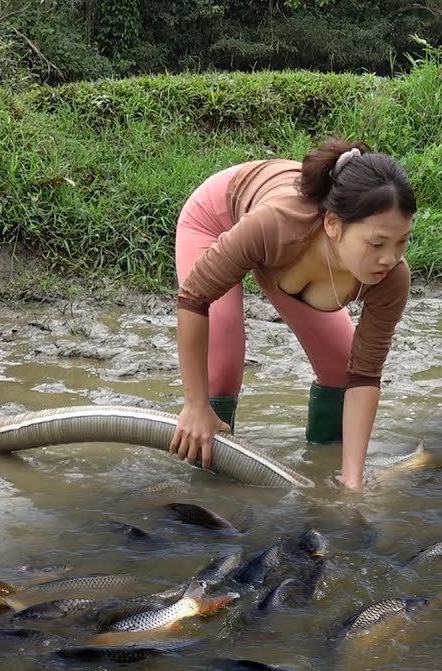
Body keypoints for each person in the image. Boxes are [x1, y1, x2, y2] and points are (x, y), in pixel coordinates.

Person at [169, 138, 416, 492]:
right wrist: (195, 405)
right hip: (217, 219)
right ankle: (210, 490)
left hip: (286, 258)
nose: (388, 259)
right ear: (333, 224)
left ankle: (324, 466)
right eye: (377, 244)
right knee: (221, 369)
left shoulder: (391, 278)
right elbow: (194, 297)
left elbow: (365, 373)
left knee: (340, 369)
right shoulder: (276, 226)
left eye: (402, 242)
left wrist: (352, 480)